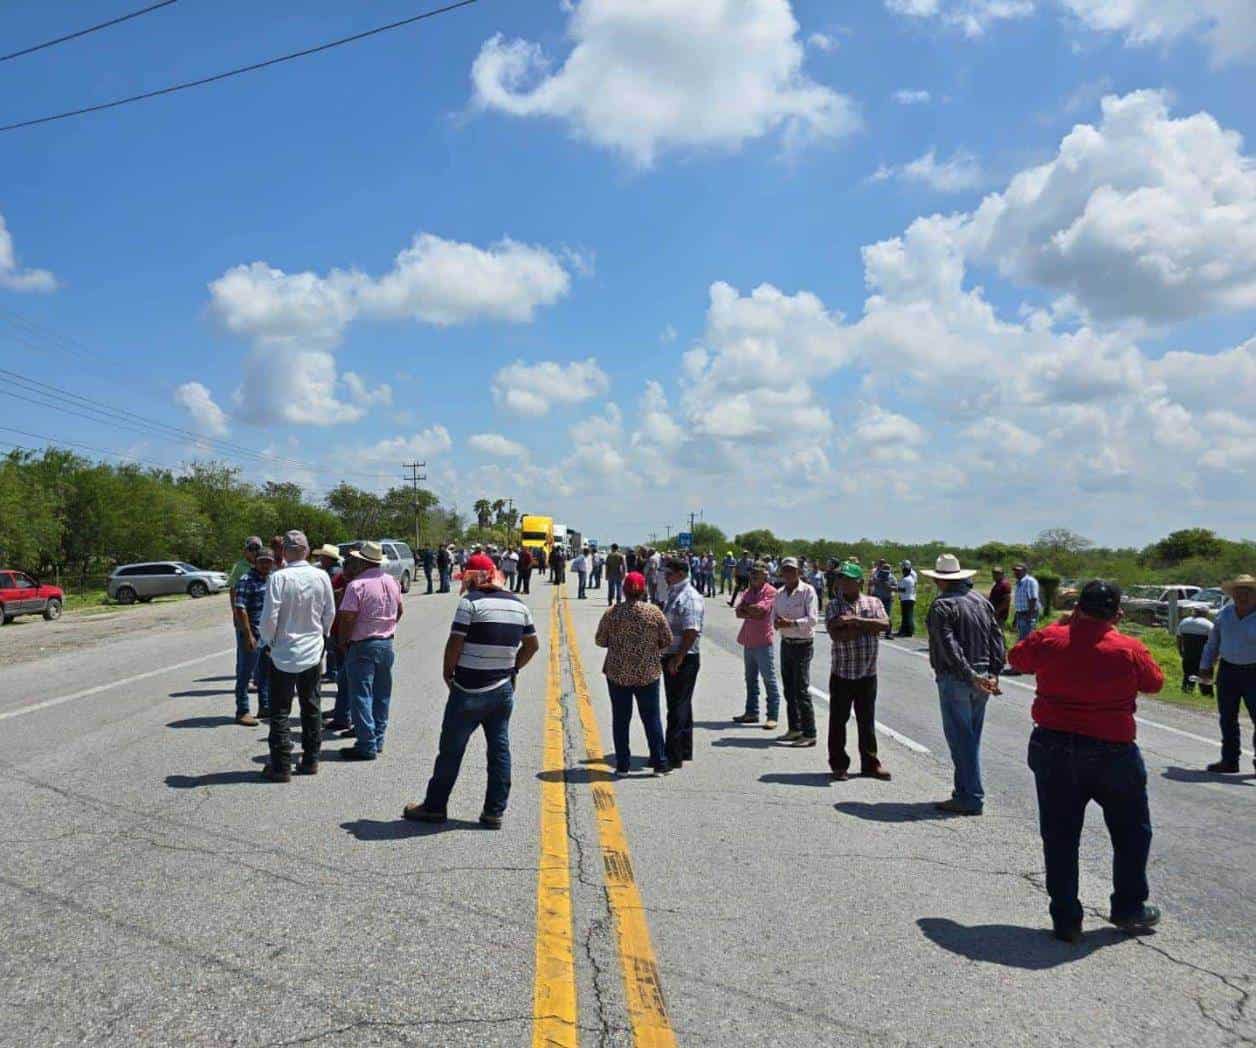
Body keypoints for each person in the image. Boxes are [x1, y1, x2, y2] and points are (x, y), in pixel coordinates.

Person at [1009, 581, 1165, 939]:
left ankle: (1066, 917)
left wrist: (1063, 627)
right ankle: (1128, 907)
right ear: (1117, 614)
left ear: (1077, 608)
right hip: (1113, 752)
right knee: (1131, 833)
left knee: (1061, 835)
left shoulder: (1051, 638)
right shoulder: (1128, 647)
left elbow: (1016, 658)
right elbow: (1154, 683)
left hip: (1054, 747)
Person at [404, 554, 539, 828]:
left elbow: (456, 642)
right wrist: (512, 669)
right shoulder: (518, 605)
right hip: (502, 690)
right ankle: (493, 812)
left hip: (468, 688)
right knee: (499, 750)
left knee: (451, 750)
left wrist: (447, 672)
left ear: (472, 577)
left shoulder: (470, 604)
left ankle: (434, 807)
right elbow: (532, 645)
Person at [922, 554, 1005, 815]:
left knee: (961, 740)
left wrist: (971, 675)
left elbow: (950, 648)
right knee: (970, 738)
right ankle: (963, 792)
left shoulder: (942, 606)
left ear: (939, 579)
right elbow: (997, 639)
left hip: (958, 678)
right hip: (981, 677)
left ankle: (971, 796)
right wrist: (992, 673)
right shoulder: (981, 601)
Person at [258, 531, 335, 782]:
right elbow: (329, 612)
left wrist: (267, 642)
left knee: (280, 709)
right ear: (307, 550)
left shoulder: (278, 578)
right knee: (311, 706)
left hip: (283, 651)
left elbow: (269, 617)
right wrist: (323, 636)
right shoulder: (321, 576)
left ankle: (281, 766)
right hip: (312, 650)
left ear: (284, 552)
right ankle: (311, 759)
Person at [595, 571, 673, 776]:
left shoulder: (612, 613)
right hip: (648, 673)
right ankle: (659, 763)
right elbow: (667, 640)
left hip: (618, 673)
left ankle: (622, 765)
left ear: (624, 590)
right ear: (644, 589)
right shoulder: (654, 612)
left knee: (621, 719)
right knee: (652, 718)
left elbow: (600, 641)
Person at [336, 541, 404, 761]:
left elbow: (347, 617)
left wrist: (343, 641)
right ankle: (378, 739)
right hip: (385, 643)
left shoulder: (357, 585)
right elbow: (400, 611)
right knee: (381, 694)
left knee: (361, 696)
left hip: (363, 644)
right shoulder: (392, 582)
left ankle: (366, 744)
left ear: (361, 561)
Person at [825, 563, 891, 782]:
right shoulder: (834, 605)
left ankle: (870, 763)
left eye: (848, 579)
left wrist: (855, 621)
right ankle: (838, 764)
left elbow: (884, 625)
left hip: (867, 673)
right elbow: (838, 635)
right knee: (838, 721)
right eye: (841, 579)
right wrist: (865, 628)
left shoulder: (874, 602)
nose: (843, 583)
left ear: (860, 582)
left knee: (866, 720)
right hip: (842, 672)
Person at [1197, 574, 1256, 774]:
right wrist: (1205, 668)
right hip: (1228, 671)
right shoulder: (1224, 614)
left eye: (1248, 592)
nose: (1243, 596)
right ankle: (1230, 760)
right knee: (1227, 718)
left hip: (1254, 672)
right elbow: (1212, 644)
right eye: (1239, 591)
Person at [661, 557, 703, 770]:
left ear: (679, 573)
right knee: (681, 704)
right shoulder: (674, 592)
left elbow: (691, 631)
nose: (665, 576)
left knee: (677, 707)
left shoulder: (689, 597)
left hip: (683, 657)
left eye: (668, 573)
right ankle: (684, 749)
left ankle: (672, 755)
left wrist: (678, 658)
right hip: (673, 655)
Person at [773, 557, 818, 746]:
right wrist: (777, 623)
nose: (788, 574)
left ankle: (810, 732)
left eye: (792, 570)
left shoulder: (808, 591)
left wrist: (791, 623)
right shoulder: (780, 593)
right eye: (785, 570)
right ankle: (795, 728)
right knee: (789, 689)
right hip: (787, 642)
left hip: (803, 644)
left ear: (799, 572)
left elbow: (813, 619)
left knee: (801, 688)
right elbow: (774, 616)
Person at [733, 563, 782, 730]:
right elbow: (739, 611)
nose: (753, 576)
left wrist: (748, 609)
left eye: (757, 573)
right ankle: (751, 712)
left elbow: (760, 611)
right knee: (750, 679)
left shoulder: (770, 591)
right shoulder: (749, 591)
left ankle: (772, 716)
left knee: (769, 679)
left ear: (765, 575)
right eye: (752, 572)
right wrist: (749, 610)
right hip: (748, 639)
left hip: (763, 640)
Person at [231, 549, 274, 725]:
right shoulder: (246, 580)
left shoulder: (271, 579)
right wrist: (248, 635)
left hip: (266, 634)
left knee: (264, 673)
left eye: (269, 561)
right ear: (255, 562)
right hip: (251, 634)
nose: (266, 564)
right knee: (245, 674)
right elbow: (240, 608)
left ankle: (264, 706)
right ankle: (242, 711)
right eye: (262, 561)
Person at [1176, 609, 1215, 697]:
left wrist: (1180, 650)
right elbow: (1214, 641)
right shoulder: (1208, 624)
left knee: (1188, 674)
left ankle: (1186, 691)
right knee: (1205, 676)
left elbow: (1178, 637)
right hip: (1203, 656)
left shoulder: (1184, 622)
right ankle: (1206, 695)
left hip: (1188, 654)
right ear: (1205, 613)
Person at [1012, 563, 1040, 642]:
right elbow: (1019, 603)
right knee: (1022, 638)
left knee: (1026, 640)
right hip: (1020, 614)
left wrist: (1029, 617)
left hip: (1027, 614)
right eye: (1015, 571)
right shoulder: (1019, 583)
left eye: (1018, 571)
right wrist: (1015, 618)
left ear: (1024, 571)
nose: (1016, 572)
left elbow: (1033, 599)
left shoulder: (1029, 581)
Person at [871, 560, 896, 639]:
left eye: (887, 572)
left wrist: (889, 587)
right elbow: (871, 583)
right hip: (877, 598)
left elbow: (896, 588)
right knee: (876, 615)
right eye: (883, 571)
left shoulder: (892, 577)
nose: (885, 573)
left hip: (887, 598)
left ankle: (888, 633)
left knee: (887, 615)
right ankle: (876, 631)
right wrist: (876, 581)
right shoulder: (876, 575)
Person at [896, 560, 918, 638]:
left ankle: (907, 631)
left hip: (908, 597)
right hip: (908, 596)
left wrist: (897, 589)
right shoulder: (910, 575)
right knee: (907, 615)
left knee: (907, 615)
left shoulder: (910, 576)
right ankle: (907, 630)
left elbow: (907, 588)